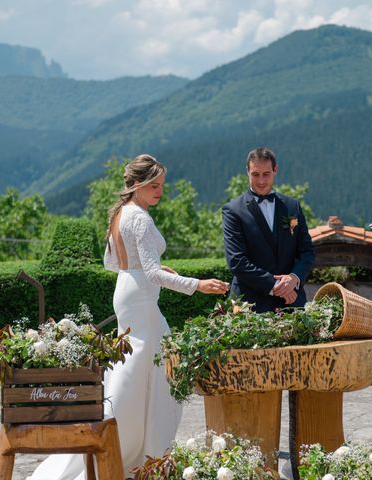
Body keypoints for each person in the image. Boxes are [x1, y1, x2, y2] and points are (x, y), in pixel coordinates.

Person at [28, 154, 229, 480]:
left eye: (162, 185)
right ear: (136, 184)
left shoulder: (120, 214)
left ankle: (119, 442)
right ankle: (138, 451)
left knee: (135, 372)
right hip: (142, 300)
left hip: (126, 291)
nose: (159, 191)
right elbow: (152, 274)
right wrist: (198, 285)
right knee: (156, 371)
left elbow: (113, 264)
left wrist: (147, 268)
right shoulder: (141, 219)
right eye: (153, 185)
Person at [222, 147, 315, 312]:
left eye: (266, 174)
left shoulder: (292, 206)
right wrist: (277, 286)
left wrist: (294, 278)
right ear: (247, 172)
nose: (261, 181)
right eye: (255, 174)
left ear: (275, 170)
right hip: (249, 305)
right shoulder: (233, 210)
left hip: (292, 302)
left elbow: (307, 252)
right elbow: (237, 261)